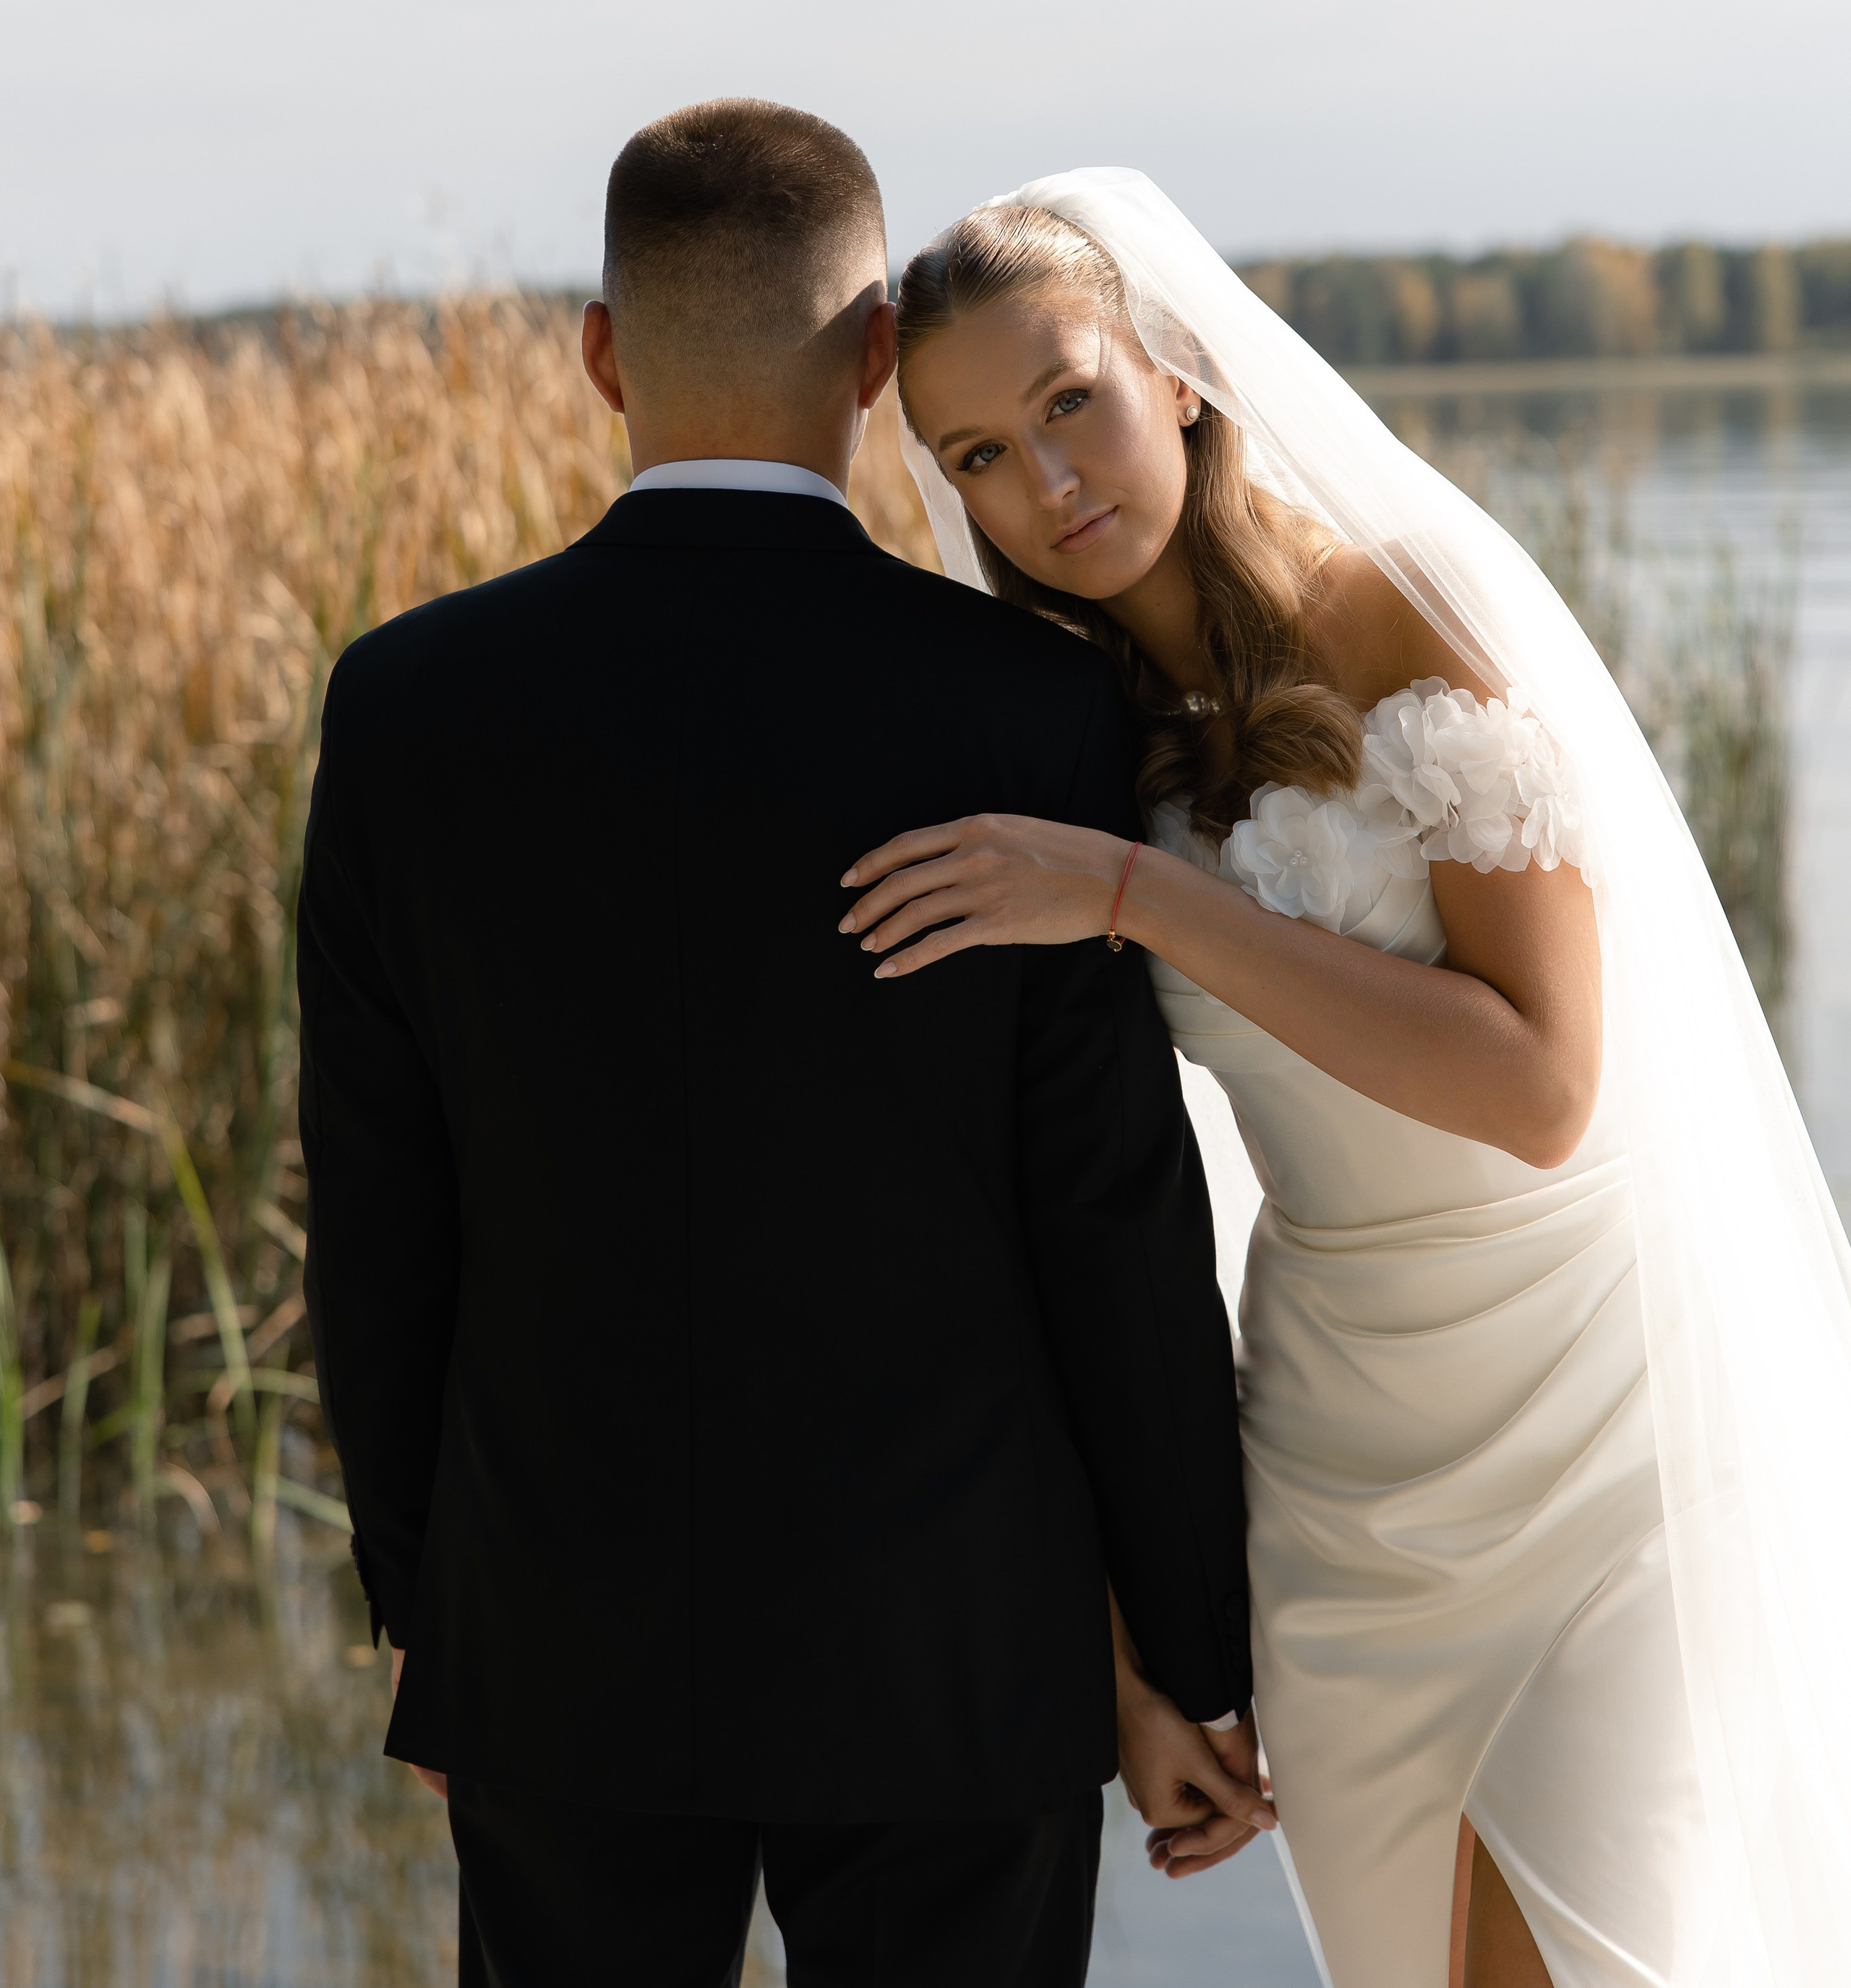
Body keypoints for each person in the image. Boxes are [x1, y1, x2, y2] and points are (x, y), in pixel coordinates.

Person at [842, 168, 1851, 1987]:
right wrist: (1141, 1653)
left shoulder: (1404, 612)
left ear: (1174, 370)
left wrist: (1135, 896)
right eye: (977, 453)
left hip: (1603, 1432)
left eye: (1069, 399)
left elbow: (1539, 1084)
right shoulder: (1061, 741)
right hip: (1336, 1479)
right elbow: (1059, 1210)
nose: (1046, 481)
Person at [296, 103, 1269, 1988]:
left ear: (603, 354)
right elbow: (1109, 1219)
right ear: (878, 357)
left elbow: (379, 1206)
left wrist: (429, 1610)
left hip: (551, 1633)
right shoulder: (1026, 705)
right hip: (953, 1644)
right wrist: (1183, 1649)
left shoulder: (405, 706)